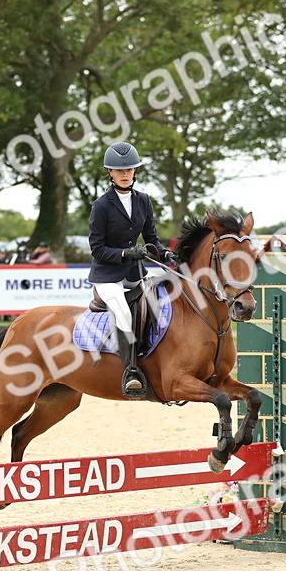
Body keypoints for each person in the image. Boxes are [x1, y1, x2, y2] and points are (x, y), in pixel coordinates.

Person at [87, 141, 175, 397]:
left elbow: (152, 240)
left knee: (161, 304)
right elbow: (97, 248)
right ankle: (131, 371)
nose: (125, 174)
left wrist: (167, 253)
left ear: (135, 171)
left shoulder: (144, 201)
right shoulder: (101, 205)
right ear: (110, 173)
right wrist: (125, 253)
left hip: (135, 274)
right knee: (124, 313)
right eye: (119, 170)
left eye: (129, 169)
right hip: (107, 276)